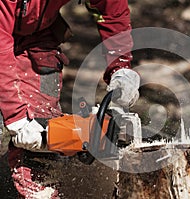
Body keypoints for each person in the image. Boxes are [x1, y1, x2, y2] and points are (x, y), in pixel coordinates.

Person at [0, 0, 140, 198]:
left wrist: (120, 65)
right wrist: (16, 117)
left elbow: (112, 9)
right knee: (14, 121)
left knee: (42, 125)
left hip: (36, 38)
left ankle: (41, 189)